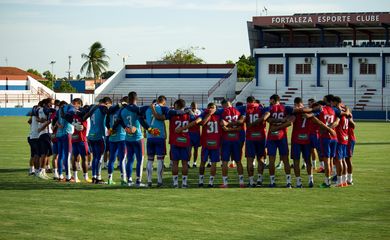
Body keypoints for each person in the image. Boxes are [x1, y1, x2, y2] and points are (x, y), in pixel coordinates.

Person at [151, 99, 195, 188]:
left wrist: (153, 108)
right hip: (185, 141)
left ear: (177, 105)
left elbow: (159, 117)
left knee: (175, 163)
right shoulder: (188, 114)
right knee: (185, 163)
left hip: (175, 141)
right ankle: (184, 183)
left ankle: (175, 183)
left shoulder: (172, 114)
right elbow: (195, 120)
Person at [114, 92, 153, 187]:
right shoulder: (136, 109)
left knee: (130, 159)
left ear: (128, 99)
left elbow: (119, 121)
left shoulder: (123, 110)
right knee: (140, 159)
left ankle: (129, 180)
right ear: (136, 99)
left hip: (128, 138)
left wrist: (126, 128)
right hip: (137, 138)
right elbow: (142, 121)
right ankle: (138, 181)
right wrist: (149, 129)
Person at [304, 95, 339, 188]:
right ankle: (331, 178)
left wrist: (308, 115)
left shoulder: (321, 109)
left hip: (325, 137)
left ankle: (327, 182)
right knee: (331, 160)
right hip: (334, 137)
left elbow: (314, 116)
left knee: (326, 160)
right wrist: (331, 129)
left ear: (326, 101)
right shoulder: (334, 110)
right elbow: (338, 119)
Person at [264, 94, 293, 188]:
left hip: (272, 137)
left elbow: (268, 119)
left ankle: (272, 182)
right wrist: (282, 120)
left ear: (273, 100)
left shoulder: (270, 108)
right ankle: (288, 182)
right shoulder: (286, 108)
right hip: (282, 136)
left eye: (270, 100)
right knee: (285, 160)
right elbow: (289, 121)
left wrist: (274, 123)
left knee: (271, 160)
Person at [84, 97, 112, 184]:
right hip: (99, 136)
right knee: (99, 157)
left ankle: (93, 177)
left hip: (91, 135)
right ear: (107, 103)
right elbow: (110, 113)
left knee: (95, 157)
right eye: (109, 105)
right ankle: (98, 177)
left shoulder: (93, 108)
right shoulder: (103, 108)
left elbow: (85, 116)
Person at [244, 96, 268, 187]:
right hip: (261, 136)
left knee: (250, 160)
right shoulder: (261, 108)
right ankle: (259, 180)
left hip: (250, 137)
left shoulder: (246, 109)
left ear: (248, 101)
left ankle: (250, 181)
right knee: (260, 159)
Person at [220, 99, 245, 188]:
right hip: (236, 139)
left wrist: (228, 127)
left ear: (223, 105)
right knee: (238, 161)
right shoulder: (238, 111)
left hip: (226, 139)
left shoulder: (222, 112)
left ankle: (225, 183)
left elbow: (223, 125)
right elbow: (239, 128)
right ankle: (241, 182)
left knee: (225, 162)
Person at [289, 97, 314, 188]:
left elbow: (290, 120)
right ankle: (310, 179)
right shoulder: (308, 111)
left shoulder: (294, 112)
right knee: (308, 160)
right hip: (306, 139)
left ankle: (299, 182)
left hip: (296, 139)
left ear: (297, 104)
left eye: (296, 105)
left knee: (296, 161)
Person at [145, 96, 168, 187]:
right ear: (164, 101)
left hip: (150, 136)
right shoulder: (163, 108)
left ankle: (149, 180)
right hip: (159, 137)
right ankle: (159, 180)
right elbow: (162, 118)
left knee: (150, 160)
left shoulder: (147, 109)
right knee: (160, 159)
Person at [106, 96, 127, 185]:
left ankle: (110, 178)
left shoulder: (111, 110)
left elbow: (106, 122)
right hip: (122, 137)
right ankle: (123, 178)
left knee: (112, 159)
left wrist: (110, 129)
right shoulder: (124, 111)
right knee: (122, 159)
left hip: (112, 137)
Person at [70, 98, 90, 183]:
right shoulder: (82, 114)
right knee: (84, 158)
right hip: (81, 138)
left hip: (74, 137)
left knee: (75, 157)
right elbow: (84, 126)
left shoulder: (73, 114)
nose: (73, 105)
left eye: (75, 103)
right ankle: (85, 177)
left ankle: (75, 177)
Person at [333, 96, 351, 187]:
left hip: (339, 138)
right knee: (343, 160)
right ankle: (344, 181)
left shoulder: (338, 112)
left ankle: (339, 182)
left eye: (333, 103)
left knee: (338, 160)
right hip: (345, 138)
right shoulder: (345, 111)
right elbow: (348, 113)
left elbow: (336, 122)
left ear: (336, 103)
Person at [188, 102, 202, 168]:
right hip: (190, 133)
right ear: (191, 106)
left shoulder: (199, 112)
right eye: (193, 107)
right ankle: (188, 162)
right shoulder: (188, 112)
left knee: (196, 149)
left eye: (195, 107)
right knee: (189, 149)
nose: (194, 108)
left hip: (197, 133)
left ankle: (194, 163)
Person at [346, 113, 356, 185]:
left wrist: (349, 119)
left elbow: (354, 125)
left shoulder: (348, 115)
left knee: (348, 159)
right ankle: (343, 177)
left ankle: (350, 179)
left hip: (349, 140)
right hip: (343, 139)